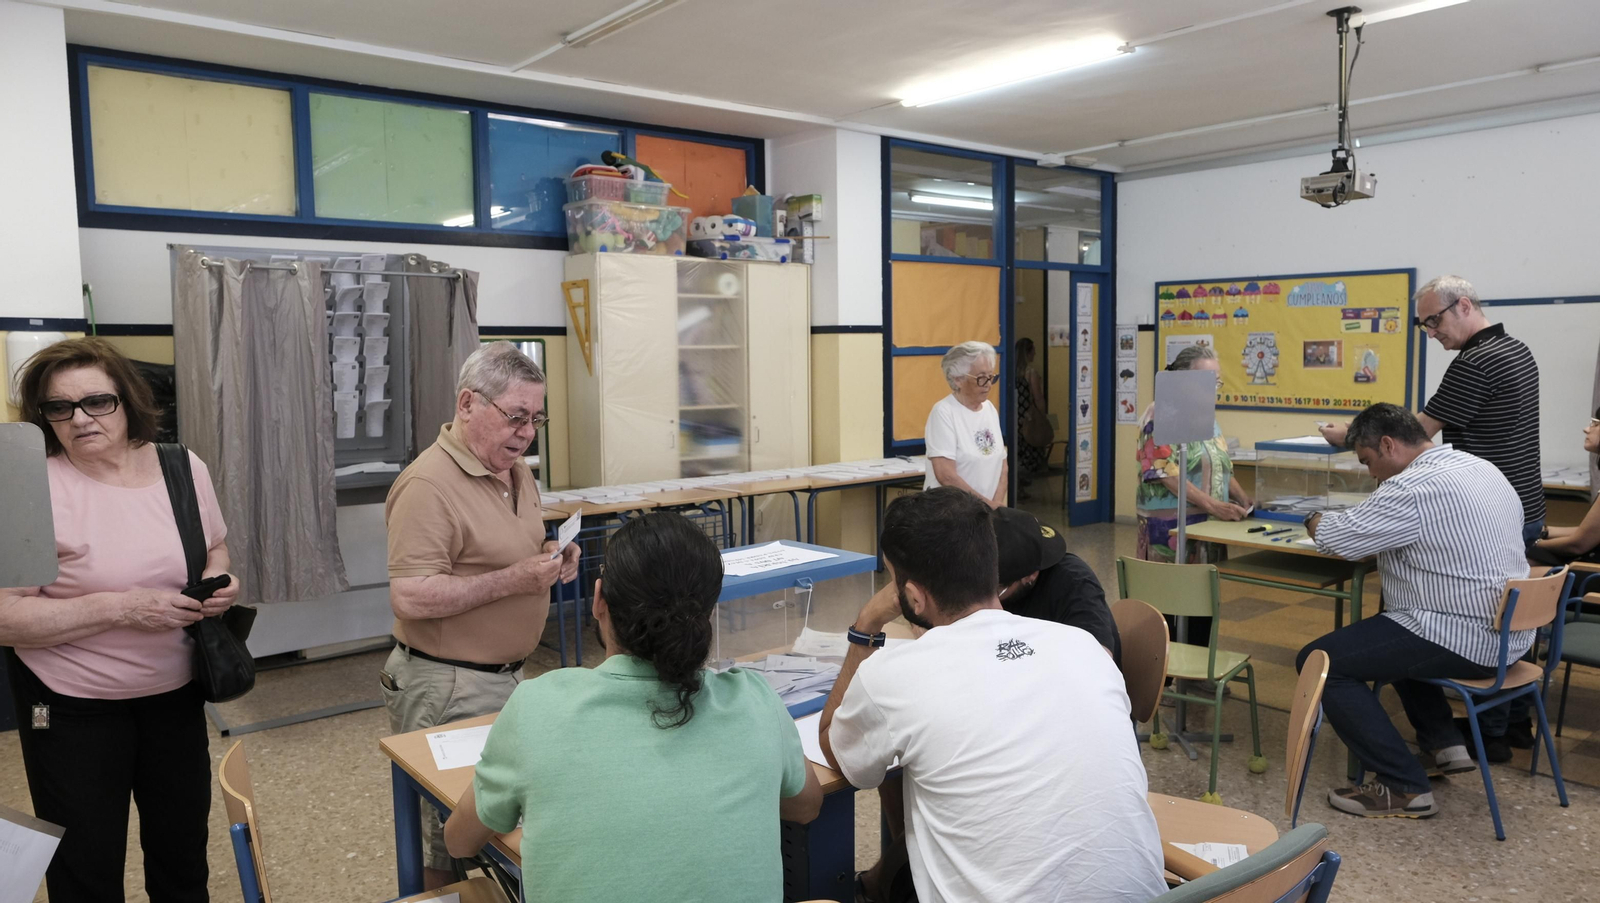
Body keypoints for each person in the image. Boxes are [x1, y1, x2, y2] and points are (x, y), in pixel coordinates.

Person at [443, 512, 822, 902]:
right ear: (709, 611)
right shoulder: (755, 698)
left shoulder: (536, 707)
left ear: (599, 600)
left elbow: (459, 842)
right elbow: (806, 806)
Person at [819, 487, 1165, 903]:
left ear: (912, 596)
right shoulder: (1083, 646)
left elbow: (838, 751)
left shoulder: (893, 676)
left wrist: (866, 624)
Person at [0, 337, 239, 902]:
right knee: (86, 864)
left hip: (176, 694)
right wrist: (122, 608)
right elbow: (6, 617)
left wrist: (221, 582)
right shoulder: (28, 486)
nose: (80, 419)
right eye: (60, 408)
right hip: (70, 706)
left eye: (97, 402)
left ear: (128, 401)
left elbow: (215, 548)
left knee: (182, 852)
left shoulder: (181, 466)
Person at [382, 341, 580, 888]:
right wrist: (515, 580)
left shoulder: (512, 470)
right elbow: (412, 596)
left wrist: (551, 553)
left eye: (536, 419)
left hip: (504, 677)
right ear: (468, 404)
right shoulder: (427, 485)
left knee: (491, 823)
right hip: (447, 684)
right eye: (515, 416)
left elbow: (507, 546)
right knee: (444, 835)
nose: (527, 433)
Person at [1322, 275, 1542, 753]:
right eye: (1423, 325)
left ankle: (1483, 738)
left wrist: (1351, 435)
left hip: (1472, 506)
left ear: (1463, 306)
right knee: (1501, 606)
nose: (1431, 333)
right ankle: (1505, 728)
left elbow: (1416, 433)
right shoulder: (1517, 350)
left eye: (1433, 321)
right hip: (1510, 501)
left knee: (1406, 617)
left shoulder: (1476, 361)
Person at [1296, 403, 1529, 819]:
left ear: (1388, 445)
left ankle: (1403, 785)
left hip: (1465, 638)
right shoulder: (1480, 467)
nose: (1372, 474)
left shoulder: (1411, 487)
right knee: (1388, 628)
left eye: (1368, 461)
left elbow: (1340, 539)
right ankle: (1445, 745)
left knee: (1320, 662)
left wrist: (1312, 518)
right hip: (1511, 632)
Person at [1136, 344, 1252, 652]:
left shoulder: (1208, 418)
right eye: (1206, 381)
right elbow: (1165, 472)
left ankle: (1197, 670)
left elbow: (1221, 465)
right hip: (1171, 531)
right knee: (1170, 607)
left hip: (1207, 528)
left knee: (1202, 605)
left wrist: (1244, 499)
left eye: (1216, 381)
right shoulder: (1160, 414)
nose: (1212, 389)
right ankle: (1166, 675)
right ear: (1182, 380)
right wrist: (1214, 505)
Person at [993, 506, 1120, 664]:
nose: (989, 599)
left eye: (997, 590)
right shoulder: (990, 578)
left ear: (1030, 575)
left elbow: (1099, 659)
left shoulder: (1075, 583)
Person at [924, 340, 1007, 508]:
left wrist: (996, 505)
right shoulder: (943, 412)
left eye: (991, 377)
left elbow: (1002, 465)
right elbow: (946, 475)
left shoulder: (990, 409)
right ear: (958, 380)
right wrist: (986, 505)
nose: (988, 385)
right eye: (981, 378)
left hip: (984, 512)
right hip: (950, 512)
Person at [1528, 408, 1600, 567]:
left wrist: (1531, 544)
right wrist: (1544, 532)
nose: (1586, 429)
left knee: (1518, 559)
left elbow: (1578, 544)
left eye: (1595, 424)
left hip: (1591, 571)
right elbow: (1587, 532)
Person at [1013, 337, 1049, 498]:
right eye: (1033, 351)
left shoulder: (1010, 371)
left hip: (1014, 420)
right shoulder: (1030, 373)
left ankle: (1017, 485)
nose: (1035, 354)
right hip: (1028, 420)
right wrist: (1043, 417)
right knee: (1030, 453)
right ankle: (1020, 483)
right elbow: (1038, 398)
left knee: (1017, 454)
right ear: (1028, 353)